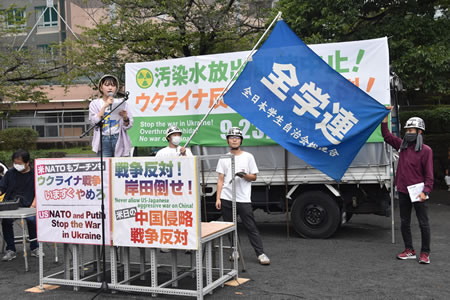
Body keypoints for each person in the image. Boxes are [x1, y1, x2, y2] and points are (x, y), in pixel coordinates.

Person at [382, 108, 433, 264]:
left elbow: (429, 175)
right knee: (404, 222)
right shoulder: (402, 146)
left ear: (420, 132)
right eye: (407, 130)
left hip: (418, 192)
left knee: (423, 223)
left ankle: (425, 253)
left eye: (412, 130)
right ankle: (409, 250)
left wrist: (425, 191)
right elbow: (386, 136)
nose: (408, 132)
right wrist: (385, 116)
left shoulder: (426, 151)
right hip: (403, 191)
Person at [215, 127, 270, 265]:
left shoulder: (248, 157)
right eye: (232, 137)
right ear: (227, 140)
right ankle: (235, 250)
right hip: (227, 197)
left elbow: (254, 177)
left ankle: (260, 253)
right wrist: (218, 197)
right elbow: (220, 179)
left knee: (250, 226)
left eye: (237, 137)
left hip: (243, 198)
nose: (234, 140)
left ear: (241, 140)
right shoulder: (224, 158)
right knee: (230, 226)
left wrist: (244, 175)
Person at [0, 150, 41, 261]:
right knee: (6, 221)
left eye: (19, 163)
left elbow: (40, 191)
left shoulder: (35, 174)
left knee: (32, 220)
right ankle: (11, 250)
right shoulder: (10, 173)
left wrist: (33, 205)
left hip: (29, 205)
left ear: (27, 163)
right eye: (15, 163)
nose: (16, 165)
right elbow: (1, 188)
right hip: (11, 205)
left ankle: (35, 247)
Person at [89, 74, 133, 157]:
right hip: (103, 139)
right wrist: (105, 106)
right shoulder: (94, 104)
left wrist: (125, 117)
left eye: (113, 85)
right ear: (101, 88)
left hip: (118, 138)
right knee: (105, 167)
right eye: (107, 85)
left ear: (116, 88)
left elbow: (128, 126)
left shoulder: (122, 103)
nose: (110, 88)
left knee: (119, 166)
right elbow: (94, 122)